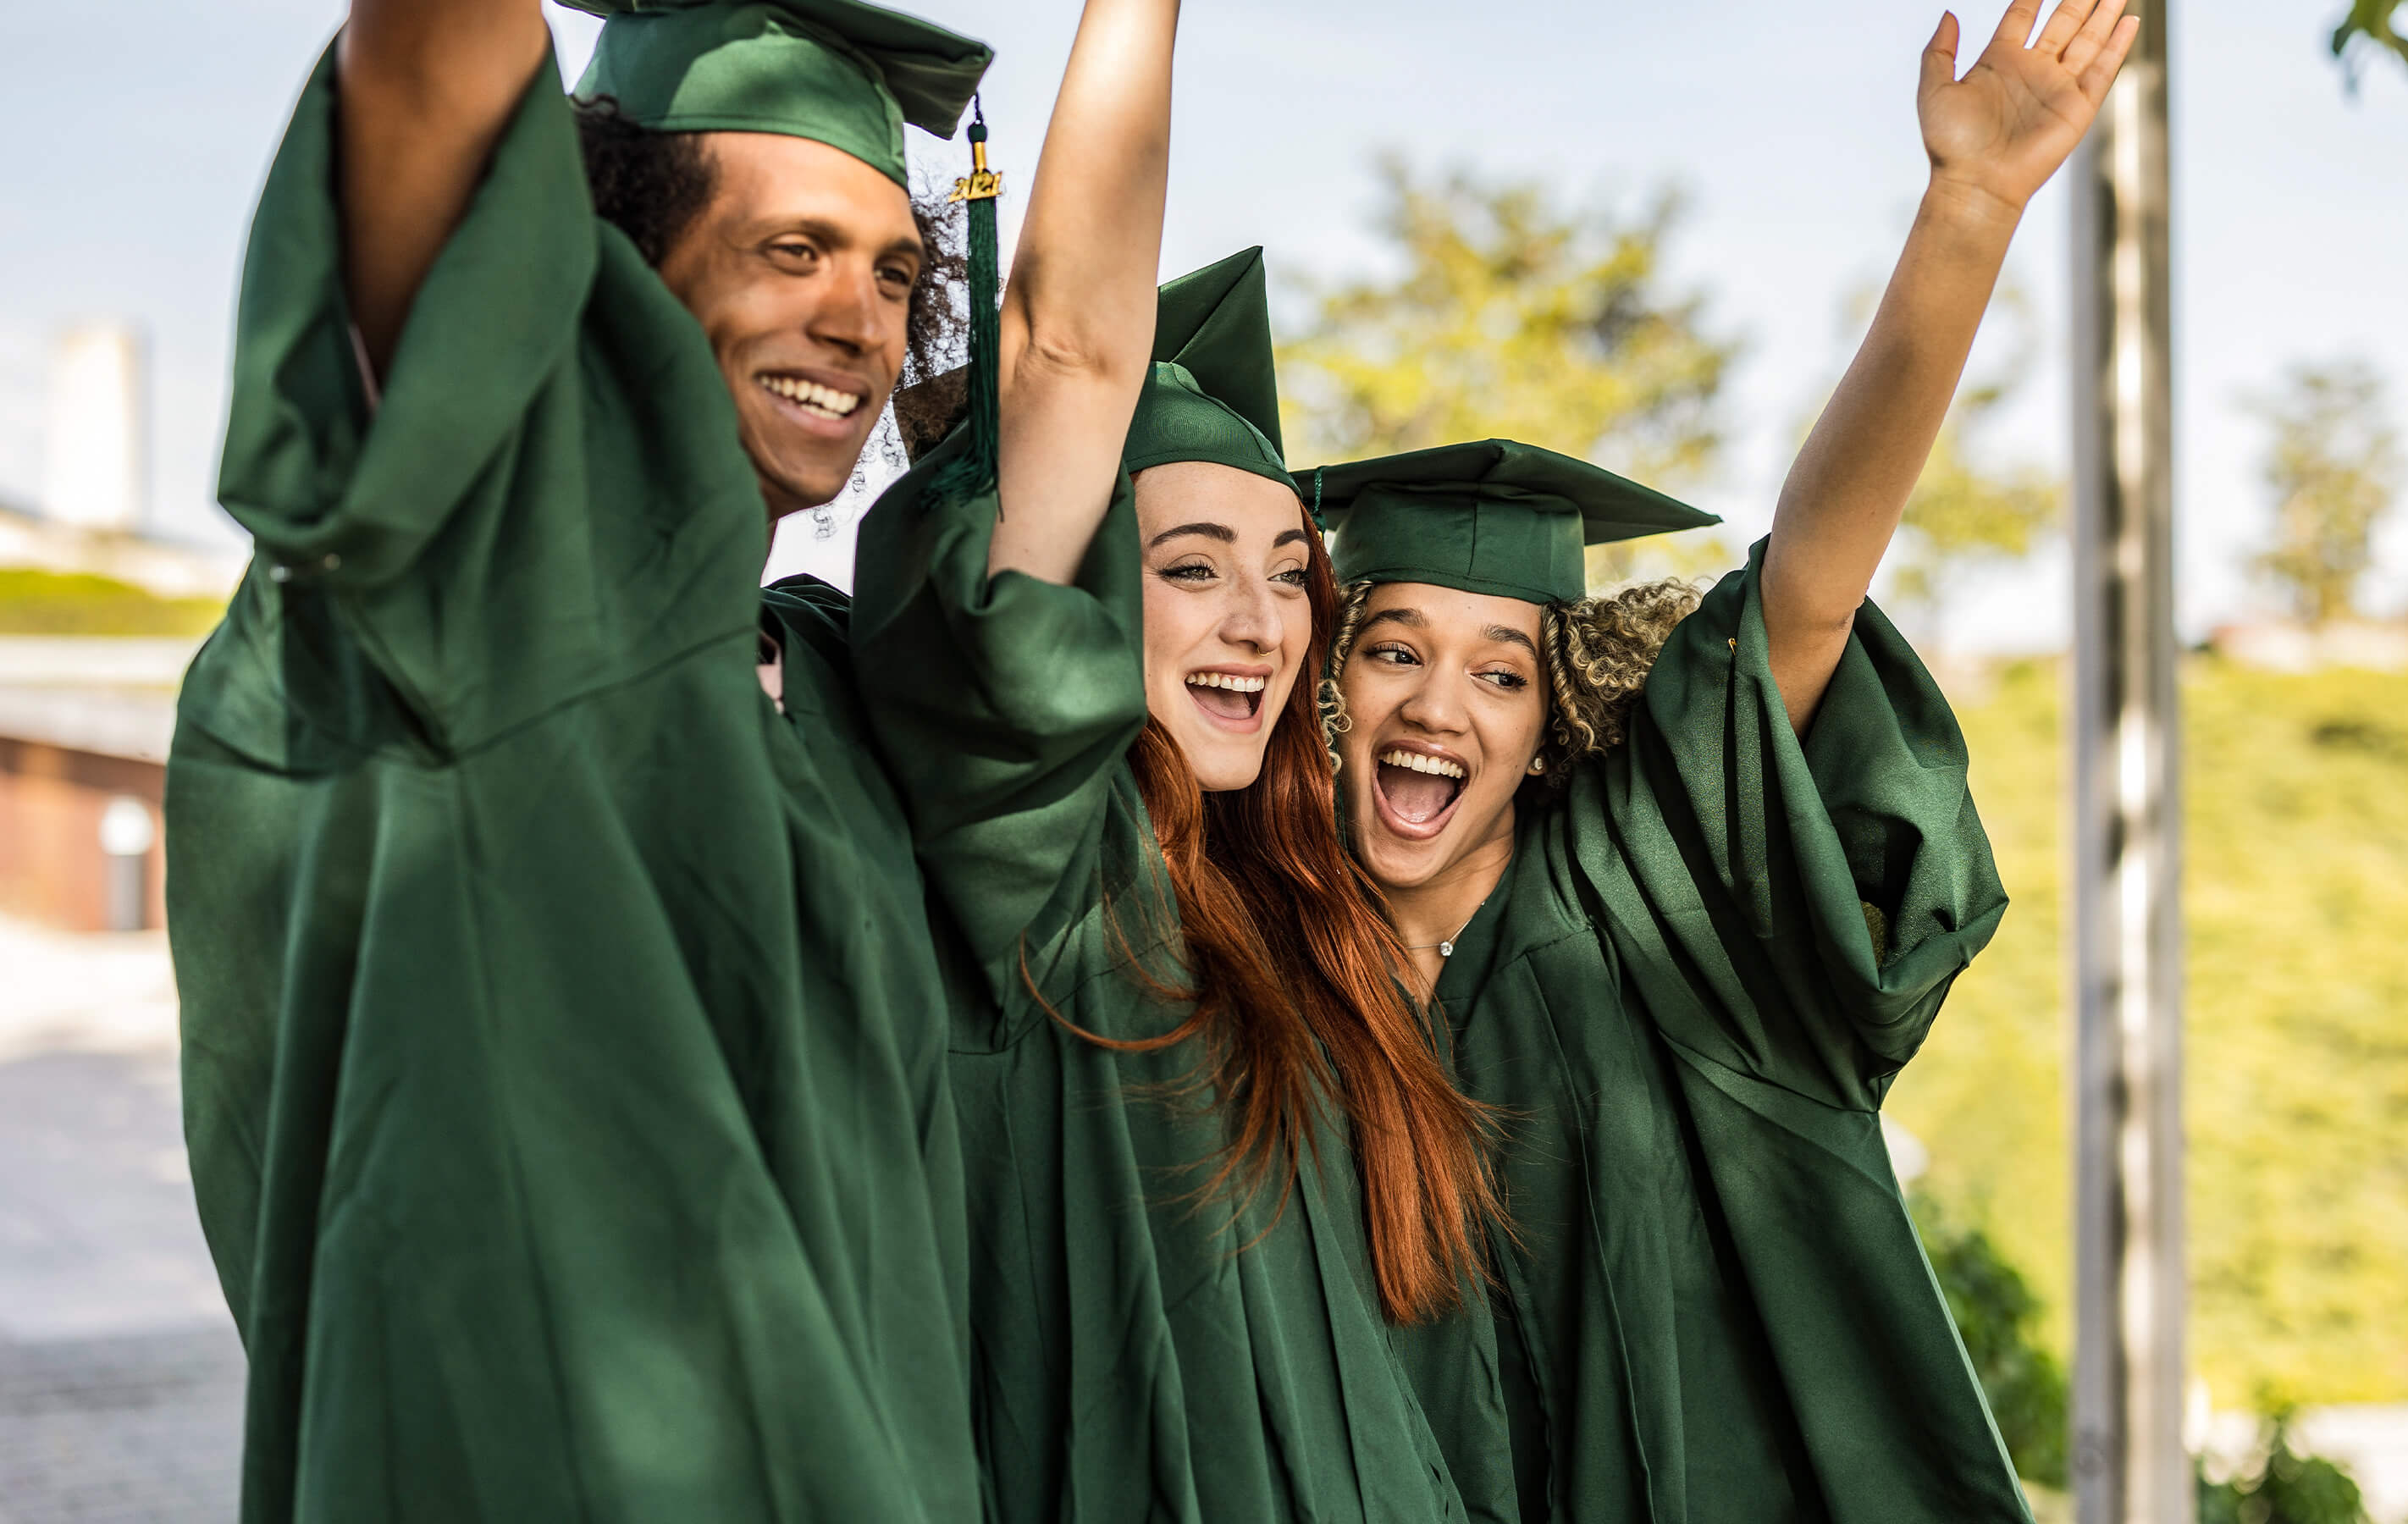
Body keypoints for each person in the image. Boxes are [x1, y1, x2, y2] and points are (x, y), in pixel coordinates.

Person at [165, 0, 1178, 1516]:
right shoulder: (468, 595)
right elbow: (434, 98)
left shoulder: (856, 716)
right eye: (791, 251)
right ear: (604, 261)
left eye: (896, 270)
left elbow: (1077, 355)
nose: (862, 319)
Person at [1304, 3, 2140, 1519]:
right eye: (1395, 649)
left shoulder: (1646, 882)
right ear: (1330, 682)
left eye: (1503, 671)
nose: (1442, 707)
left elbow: (1807, 583)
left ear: (1553, 713)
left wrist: (1967, 212)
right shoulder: (1272, 978)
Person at [847, 246, 1494, 1521]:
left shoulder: (1315, 938)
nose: (1262, 622)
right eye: (1191, 567)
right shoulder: (1038, 866)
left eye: (1290, 571)